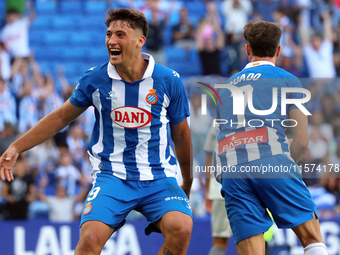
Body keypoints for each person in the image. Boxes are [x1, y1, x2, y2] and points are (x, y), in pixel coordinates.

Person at [0, 8, 193, 255]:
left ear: (140, 41)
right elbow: (60, 117)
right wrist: (17, 146)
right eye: (109, 34)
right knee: (90, 239)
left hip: (158, 175)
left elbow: (182, 135)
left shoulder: (168, 80)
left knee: (182, 228)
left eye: (120, 34)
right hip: (112, 175)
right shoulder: (96, 79)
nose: (111, 40)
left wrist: (187, 179)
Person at [216, 21, 327, 255]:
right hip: (271, 159)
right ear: (278, 50)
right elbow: (302, 140)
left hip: (232, 170)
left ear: (247, 50)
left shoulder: (225, 87)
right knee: (312, 238)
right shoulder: (286, 79)